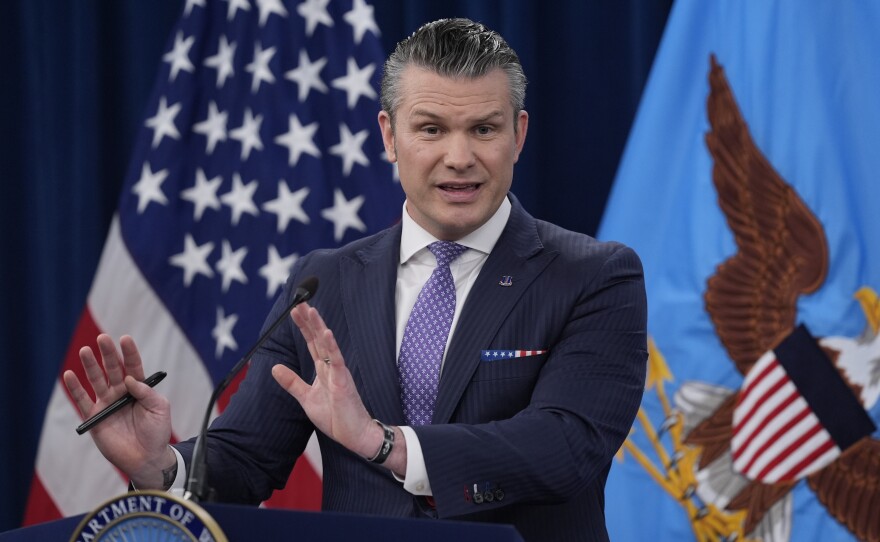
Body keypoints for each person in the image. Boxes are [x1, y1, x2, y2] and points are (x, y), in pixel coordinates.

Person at [64, 18, 647, 542]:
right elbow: (247, 460)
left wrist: (382, 443)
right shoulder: (325, 280)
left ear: (518, 135)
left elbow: (565, 448)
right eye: (432, 129)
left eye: (484, 129)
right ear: (389, 136)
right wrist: (158, 465)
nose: (460, 156)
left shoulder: (593, 276)